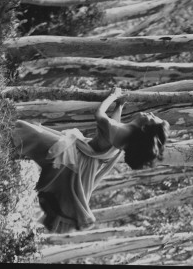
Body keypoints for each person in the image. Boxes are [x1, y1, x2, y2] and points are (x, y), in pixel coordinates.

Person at [12, 87, 170, 233]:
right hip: (82, 156)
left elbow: (100, 115)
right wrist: (120, 106)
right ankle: (9, 144)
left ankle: (5, 135)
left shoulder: (118, 131)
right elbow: (115, 123)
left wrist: (112, 96)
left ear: (146, 128)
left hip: (74, 157)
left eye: (152, 118)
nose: (150, 114)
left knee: (31, 133)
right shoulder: (126, 135)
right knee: (36, 137)